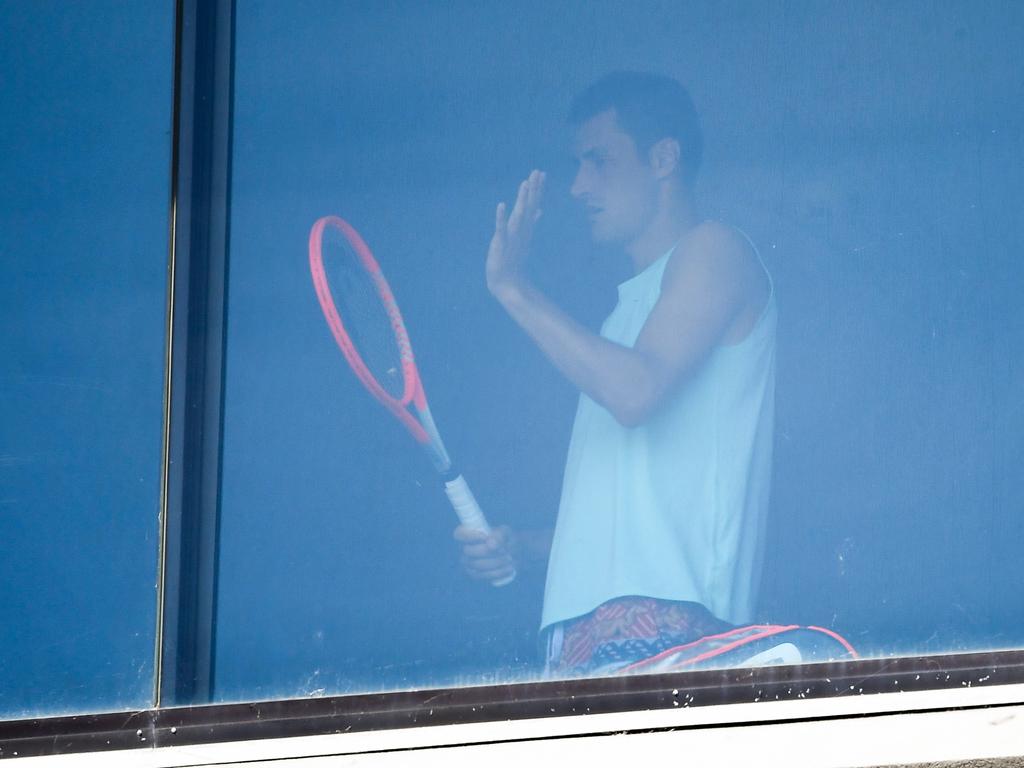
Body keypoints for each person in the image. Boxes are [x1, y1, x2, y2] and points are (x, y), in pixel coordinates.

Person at [455, 72, 776, 676]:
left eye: (598, 161)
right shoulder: (618, 321)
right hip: (581, 648)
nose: (578, 186)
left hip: (668, 640)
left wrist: (514, 288)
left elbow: (636, 392)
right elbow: (629, 524)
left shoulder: (714, 248)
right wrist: (520, 548)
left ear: (663, 158)